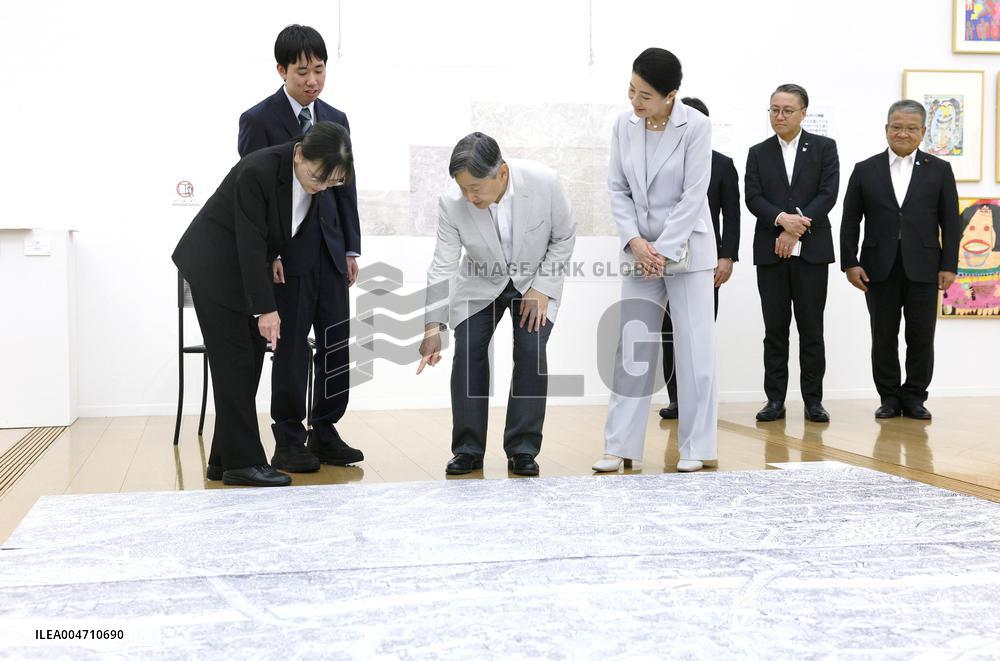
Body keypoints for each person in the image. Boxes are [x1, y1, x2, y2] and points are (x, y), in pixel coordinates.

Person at [172, 122, 354, 487]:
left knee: (247, 361)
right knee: (236, 361)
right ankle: (244, 462)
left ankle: (223, 459)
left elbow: (273, 234)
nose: (321, 187)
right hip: (214, 267)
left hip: (241, 269)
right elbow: (249, 240)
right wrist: (266, 309)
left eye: (332, 183)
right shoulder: (260, 169)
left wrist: (274, 257)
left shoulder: (304, 177)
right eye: (318, 177)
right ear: (300, 154)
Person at [238, 24, 364, 472]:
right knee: (291, 349)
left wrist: (351, 247)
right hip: (286, 260)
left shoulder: (336, 118)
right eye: (302, 71)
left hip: (331, 254)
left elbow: (345, 186)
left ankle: (326, 430)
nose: (312, 80)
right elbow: (250, 196)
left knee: (335, 344)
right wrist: (269, 253)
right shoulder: (259, 120)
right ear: (281, 70)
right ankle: (289, 436)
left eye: (319, 69)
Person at [417, 133, 576, 476]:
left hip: (533, 282)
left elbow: (564, 236)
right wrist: (433, 325)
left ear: (501, 173)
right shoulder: (451, 203)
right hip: (479, 282)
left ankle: (522, 449)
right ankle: (468, 449)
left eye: (476, 187)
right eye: (463, 188)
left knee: (531, 351)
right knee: (469, 351)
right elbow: (443, 264)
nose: (469, 196)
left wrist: (543, 288)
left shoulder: (545, 183)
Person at [593, 47, 718, 474]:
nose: (635, 101)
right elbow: (616, 188)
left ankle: (696, 447)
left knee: (694, 349)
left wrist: (662, 248)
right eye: (631, 90)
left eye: (645, 95)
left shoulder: (696, 126)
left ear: (671, 96)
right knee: (632, 346)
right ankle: (619, 446)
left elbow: (694, 193)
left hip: (688, 251)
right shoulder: (623, 125)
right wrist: (636, 242)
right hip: (639, 251)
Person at [840, 99, 960, 420]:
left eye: (910, 128)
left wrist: (949, 265)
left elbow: (950, 222)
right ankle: (890, 397)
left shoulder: (940, 170)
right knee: (883, 336)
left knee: (921, 335)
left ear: (922, 132)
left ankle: (915, 397)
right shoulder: (865, 170)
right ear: (886, 129)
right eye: (896, 127)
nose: (902, 133)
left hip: (925, 267)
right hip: (878, 267)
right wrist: (850, 262)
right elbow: (850, 220)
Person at [745, 83, 839, 424]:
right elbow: (753, 198)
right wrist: (781, 220)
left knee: (812, 329)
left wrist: (795, 227)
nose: (779, 116)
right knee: (775, 330)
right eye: (774, 109)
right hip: (771, 253)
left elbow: (828, 193)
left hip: (812, 252)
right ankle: (775, 400)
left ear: (803, 113)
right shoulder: (758, 152)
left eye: (787, 110)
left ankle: (814, 401)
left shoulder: (824, 148)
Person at [658, 96, 740, 420]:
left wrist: (727, 258)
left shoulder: (722, 163)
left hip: (706, 263)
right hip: (664, 259)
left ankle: (698, 402)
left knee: (699, 333)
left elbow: (731, 215)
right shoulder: (659, 163)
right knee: (668, 332)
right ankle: (676, 398)